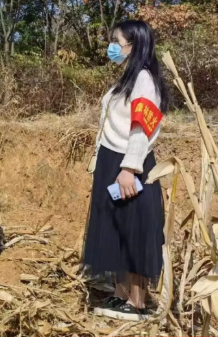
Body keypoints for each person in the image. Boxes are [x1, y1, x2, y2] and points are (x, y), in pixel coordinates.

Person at [83, 20, 168, 322]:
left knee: (133, 230)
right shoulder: (128, 78)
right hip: (111, 161)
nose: (113, 47)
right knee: (118, 229)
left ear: (134, 44)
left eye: (117, 41)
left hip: (127, 164)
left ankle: (137, 302)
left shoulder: (144, 79)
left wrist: (130, 168)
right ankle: (120, 295)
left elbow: (140, 128)